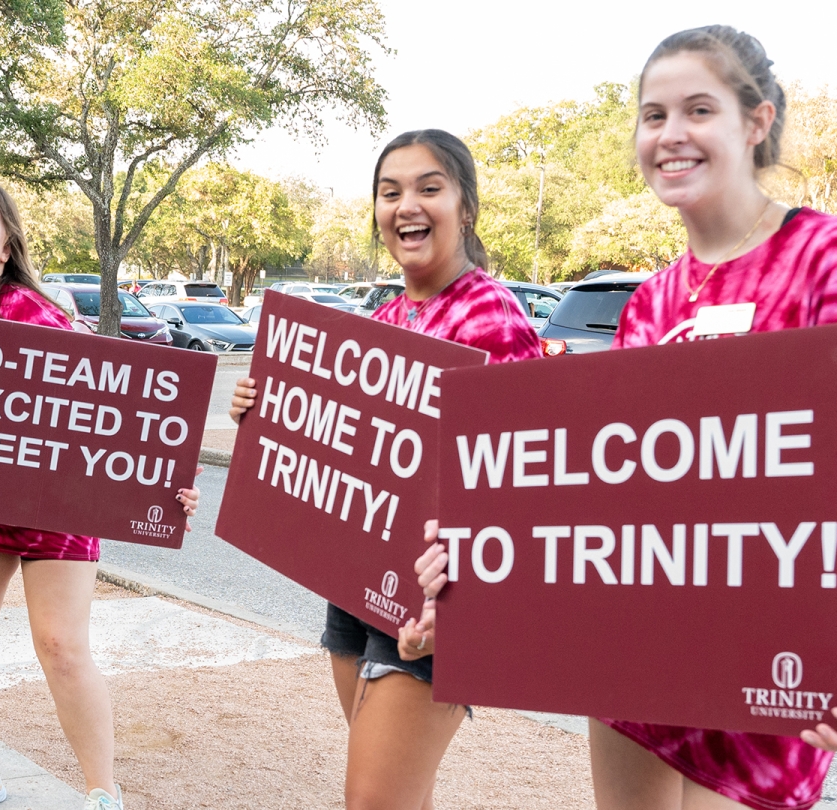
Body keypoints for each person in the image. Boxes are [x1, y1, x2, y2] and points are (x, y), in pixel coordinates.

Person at [413, 26, 837, 810]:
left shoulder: (830, 255)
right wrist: (469, 581)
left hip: (761, 662)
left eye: (697, 109)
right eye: (652, 115)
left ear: (756, 121)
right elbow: (606, 496)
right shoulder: (649, 304)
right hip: (636, 663)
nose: (670, 134)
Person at [229, 131, 543, 809]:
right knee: (399, 796)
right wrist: (265, 407)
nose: (408, 204)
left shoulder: (493, 315)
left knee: (372, 798)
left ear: (466, 208)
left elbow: (526, 471)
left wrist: (455, 605)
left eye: (430, 187)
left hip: (442, 599)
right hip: (357, 581)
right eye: (390, 190)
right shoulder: (385, 317)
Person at [0, 178, 201, 810]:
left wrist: (164, 481)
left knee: (60, 646)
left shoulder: (36, 313)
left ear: (4, 250)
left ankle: (102, 793)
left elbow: (115, 405)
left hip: (53, 511)